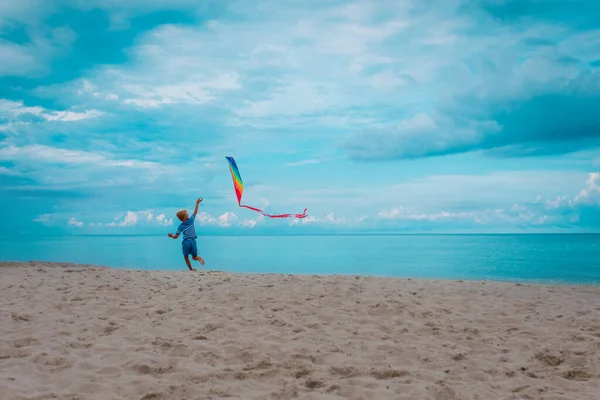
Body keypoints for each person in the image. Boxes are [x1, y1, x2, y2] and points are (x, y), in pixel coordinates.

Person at [168, 198, 205, 271]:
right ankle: (198, 258)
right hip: (193, 241)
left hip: (186, 242)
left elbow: (176, 236)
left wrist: (171, 236)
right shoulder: (191, 220)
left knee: (186, 256)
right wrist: (197, 203)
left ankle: (191, 269)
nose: (188, 215)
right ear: (184, 217)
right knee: (194, 257)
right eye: (186, 214)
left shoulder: (180, 226)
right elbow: (195, 212)